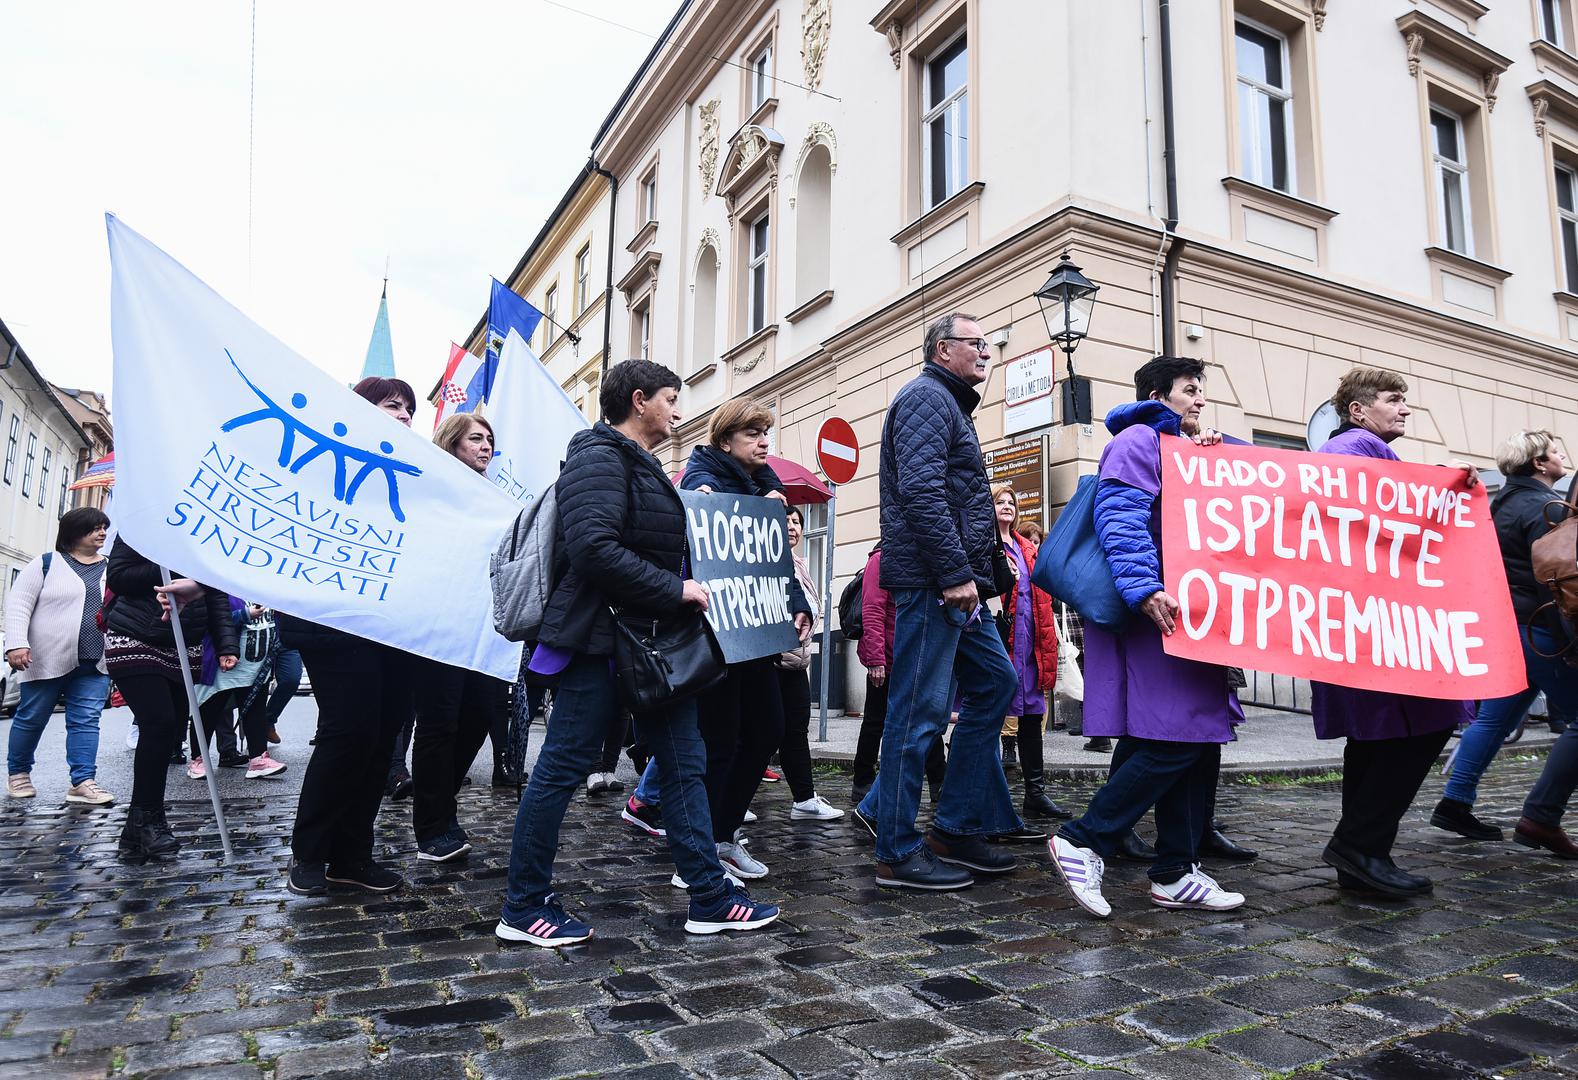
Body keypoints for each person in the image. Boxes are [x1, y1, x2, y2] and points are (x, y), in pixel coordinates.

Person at [496, 358, 778, 946]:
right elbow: (595, 549)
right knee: (564, 766)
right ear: (640, 399)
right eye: (672, 399)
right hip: (600, 642)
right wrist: (675, 589)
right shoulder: (598, 459)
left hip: (650, 644)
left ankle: (709, 895)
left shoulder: (642, 466)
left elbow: (651, 542)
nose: (679, 411)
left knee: (685, 764)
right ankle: (522, 906)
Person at [1049, 356, 1247, 918]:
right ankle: (1082, 839)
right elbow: (1120, 515)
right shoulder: (1137, 439)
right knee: (1176, 735)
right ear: (1160, 394)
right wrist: (1143, 589)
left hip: (1192, 612)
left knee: (1197, 736)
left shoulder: (1190, 448)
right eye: (1190, 390)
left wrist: (1216, 457)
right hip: (1157, 611)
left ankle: (1176, 871)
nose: (1201, 400)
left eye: (1203, 391)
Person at [867, 312, 1025, 890]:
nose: (986, 351)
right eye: (975, 343)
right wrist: (956, 574)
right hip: (936, 584)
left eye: (988, 341)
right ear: (942, 350)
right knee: (918, 709)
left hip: (959, 586)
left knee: (996, 685)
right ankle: (897, 849)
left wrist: (973, 580)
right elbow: (921, 491)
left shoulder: (949, 404)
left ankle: (955, 826)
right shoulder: (927, 398)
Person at [1311, 367, 1477, 895]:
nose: (1405, 409)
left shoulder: (1364, 452)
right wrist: (1441, 485)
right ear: (1359, 411)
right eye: (1393, 399)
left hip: (1369, 623)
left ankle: (1362, 854)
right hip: (1376, 627)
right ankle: (1358, 845)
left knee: (1376, 737)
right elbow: (1373, 524)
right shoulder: (1350, 451)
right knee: (1421, 725)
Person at [281, 375, 420, 896]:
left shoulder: (417, 474)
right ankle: (310, 852)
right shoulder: (323, 465)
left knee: (382, 739)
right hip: (336, 622)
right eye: (392, 405)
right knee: (349, 731)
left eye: (408, 408)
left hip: (399, 626)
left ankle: (353, 855)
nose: (405, 416)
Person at [677, 399, 814, 879]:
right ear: (725, 440)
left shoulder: (759, 486)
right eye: (753, 433)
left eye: (765, 433)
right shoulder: (703, 480)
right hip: (716, 639)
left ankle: (722, 834)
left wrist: (794, 600)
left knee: (767, 730)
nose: (763, 441)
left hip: (755, 638)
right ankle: (700, 852)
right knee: (722, 742)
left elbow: (771, 561)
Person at [1432, 429, 1578, 858]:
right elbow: (1556, 584)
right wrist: (1568, 643)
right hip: (1541, 631)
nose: (1560, 456)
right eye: (1554, 451)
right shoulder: (1542, 508)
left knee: (1495, 720)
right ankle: (1541, 817)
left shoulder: (1503, 503)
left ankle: (1455, 803)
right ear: (1538, 463)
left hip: (1510, 625)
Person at [409, 414, 513, 862]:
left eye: (490, 439)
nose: (486, 446)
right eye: (476, 438)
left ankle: (444, 802)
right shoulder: (431, 491)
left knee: (477, 718)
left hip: (485, 627)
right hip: (439, 625)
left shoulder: (497, 497)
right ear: (451, 444)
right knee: (440, 722)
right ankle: (431, 824)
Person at [103, 539, 238, 860]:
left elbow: (217, 594)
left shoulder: (207, 533)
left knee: (170, 731)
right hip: (134, 635)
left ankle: (138, 827)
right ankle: (149, 819)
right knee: (159, 722)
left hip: (183, 643)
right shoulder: (142, 525)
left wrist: (226, 644)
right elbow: (119, 577)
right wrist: (172, 562)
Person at [5, 508, 115, 806]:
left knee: (86, 721)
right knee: (32, 717)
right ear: (73, 532)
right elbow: (18, 605)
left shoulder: (111, 568)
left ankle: (83, 781)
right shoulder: (46, 564)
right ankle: (19, 774)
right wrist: (16, 643)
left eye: (104, 527)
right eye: (95, 528)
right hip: (44, 657)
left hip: (95, 660)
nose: (102, 533)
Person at [990, 484, 1068, 821]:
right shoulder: (986, 543)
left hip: (1031, 643)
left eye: (1011, 502)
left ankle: (1035, 793)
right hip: (1000, 641)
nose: (1007, 506)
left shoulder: (1027, 549)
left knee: (1033, 716)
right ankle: (988, 795)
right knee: (991, 717)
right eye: (1000, 501)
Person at [850, 543, 947, 811]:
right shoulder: (881, 559)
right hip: (888, 659)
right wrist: (876, 659)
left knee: (926, 720)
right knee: (875, 720)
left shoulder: (919, 558)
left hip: (914, 657)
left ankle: (940, 781)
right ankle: (863, 782)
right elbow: (872, 610)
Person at [775, 505, 843, 821]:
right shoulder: (769, 561)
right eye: (786, 520)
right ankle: (729, 802)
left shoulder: (801, 564)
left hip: (797, 665)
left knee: (795, 731)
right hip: (772, 664)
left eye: (797, 521)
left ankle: (803, 799)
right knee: (761, 733)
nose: (793, 526)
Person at [187, 600, 286, 781]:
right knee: (208, 710)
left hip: (256, 664)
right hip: (222, 662)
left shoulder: (267, 589)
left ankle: (258, 758)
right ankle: (198, 760)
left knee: (255, 711)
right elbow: (209, 621)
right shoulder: (223, 588)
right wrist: (244, 615)